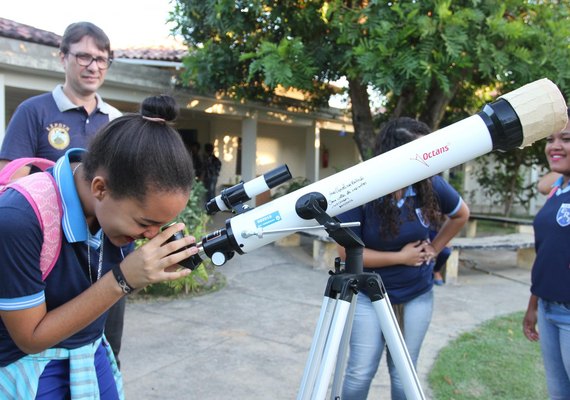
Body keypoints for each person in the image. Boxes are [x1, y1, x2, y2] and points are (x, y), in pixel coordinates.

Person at [0, 94, 196, 399]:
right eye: (145, 222)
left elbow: (92, 289)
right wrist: (124, 279)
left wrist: (147, 272)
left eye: (161, 224)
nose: (151, 235)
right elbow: (30, 338)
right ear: (100, 188)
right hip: (26, 365)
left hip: (90, 353)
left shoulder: (114, 215)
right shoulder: (20, 218)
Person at [0, 21, 129, 367]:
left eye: (102, 59)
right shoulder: (34, 110)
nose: (93, 66)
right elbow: (10, 176)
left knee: (105, 346)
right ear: (63, 58)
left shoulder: (116, 121)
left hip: (104, 252)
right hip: (49, 258)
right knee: (43, 352)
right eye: (84, 56)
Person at [337, 117, 470, 399]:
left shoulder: (428, 184)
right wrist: (401, 257)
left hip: (416, 293)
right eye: (419, 153)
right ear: (393, 154)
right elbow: (346, 254)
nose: (427, 160)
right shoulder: (361, 187)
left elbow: (461, 215)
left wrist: (434, 248)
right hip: (367, 296)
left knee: (403, 372)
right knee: (360, 372)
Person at [523, 112, 570, 399]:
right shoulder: (558, 188)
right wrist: (533, 305)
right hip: (548, 309)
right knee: (558, 393)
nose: (554, 145)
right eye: (550, 139)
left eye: (566, 139)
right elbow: (546, 252)